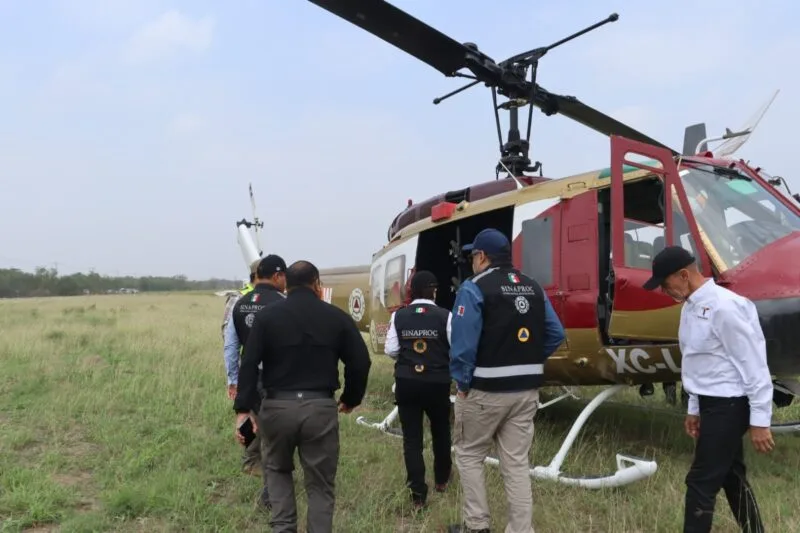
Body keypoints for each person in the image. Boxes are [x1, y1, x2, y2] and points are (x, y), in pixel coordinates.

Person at [233, 260, 372, 533]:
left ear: (287, 283)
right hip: (320, 408)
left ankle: (283, 528)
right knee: (320, 485)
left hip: (276, 407)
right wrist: (351, 398)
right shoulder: (336, 317)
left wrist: (243, 409)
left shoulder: (267, 318)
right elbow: (360, 362)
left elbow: (248, 363)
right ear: (317, 285)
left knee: (277, 471)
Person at [642, 245, 774, 533]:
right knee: (731, 476)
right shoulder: (690, 307)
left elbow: (754, 364)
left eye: (666, 285)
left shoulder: (725, 307)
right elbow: (696, 362)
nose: (665, 291)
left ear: (684, 275)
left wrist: (760, 420)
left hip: (730, 404)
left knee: (700, 482)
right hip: (710, 402)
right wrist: (693, 408)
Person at [447, 228, 566, 533]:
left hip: (484, 391)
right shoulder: (533, 287)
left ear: (482, 257)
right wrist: (526, 359)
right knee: (516, 464)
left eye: (473, 255)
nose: (473, 261)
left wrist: (461, 385)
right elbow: (556, 333)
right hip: (526, 391)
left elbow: (463, 346)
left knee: (469, 454)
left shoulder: (474, 288)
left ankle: (476, 526)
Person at [384, 270, 453, 510]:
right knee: (441, 432)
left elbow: (391, 350)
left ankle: (417, 495)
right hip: (438, 382)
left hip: (407, 382)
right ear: (434, 290)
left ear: (411, 291)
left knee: (412, 440)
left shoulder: (399, 316)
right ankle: (442, 480)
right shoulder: (446, 315)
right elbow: (455, 347)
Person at [224, 254, 288, 507]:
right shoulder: (284, 303)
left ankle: (256, 470)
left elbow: (231, 346)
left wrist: (233, 379)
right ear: (277, 275)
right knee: (275, 436)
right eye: (284, 276)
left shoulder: (239, 304)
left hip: (250, 376)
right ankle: (270, 494)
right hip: (278, 379)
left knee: (257, 426)